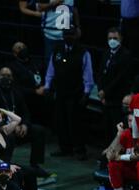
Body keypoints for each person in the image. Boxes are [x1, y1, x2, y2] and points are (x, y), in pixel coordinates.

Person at [0, 67, 48, 176]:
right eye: (3, 75)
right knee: (9, 136)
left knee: (39, 131)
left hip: (18, 127)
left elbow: (26, 112)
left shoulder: (16, 92)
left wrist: (24, 125)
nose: (5, 78)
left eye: (8, 76)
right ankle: (6, 165)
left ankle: (35, 165)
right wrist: (9, 126)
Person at [45, 27, 94, 160]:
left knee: (76, 122)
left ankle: (79, 149)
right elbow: (51, 70)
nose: (68, 37)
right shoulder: (57, 50)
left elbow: (87, 74)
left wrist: (86, 93)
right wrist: (47, 86)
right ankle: (64, 147)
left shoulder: (83, 52)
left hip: (76, 93)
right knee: (60, 121)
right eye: (66, 34)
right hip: (60, 91)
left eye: (71, 34)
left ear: (76, 35)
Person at [0, 108, 40, 190]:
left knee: (31, 172)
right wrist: (7, 166)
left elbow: (18, 119)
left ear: (2, 120)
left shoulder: (4, 130)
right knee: (17, 174)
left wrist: (0, 110)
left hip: (8, 163)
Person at [97, 27, 134, 144]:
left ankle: (115, 156)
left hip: (117, 98)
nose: (112, 40)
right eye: (110, 38)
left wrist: (105, 92)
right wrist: (101, 92)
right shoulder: (106, 52)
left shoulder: (126, 55)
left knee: (116, 129)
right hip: (105, 98)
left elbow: (120, 78)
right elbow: (101, 73)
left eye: (115, 38)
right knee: (106, 128)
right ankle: (107, 156)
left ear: (121, 39)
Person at [9, 42, 49, 125]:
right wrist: (34, 91)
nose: (22, 48)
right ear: (15, 54)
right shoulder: (13, 67)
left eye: (23, 46)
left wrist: (45, 86)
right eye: (19, 48)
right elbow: (16, 88)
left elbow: (46, 75)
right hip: (27, 101)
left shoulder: (36, 62)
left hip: (43, 97)